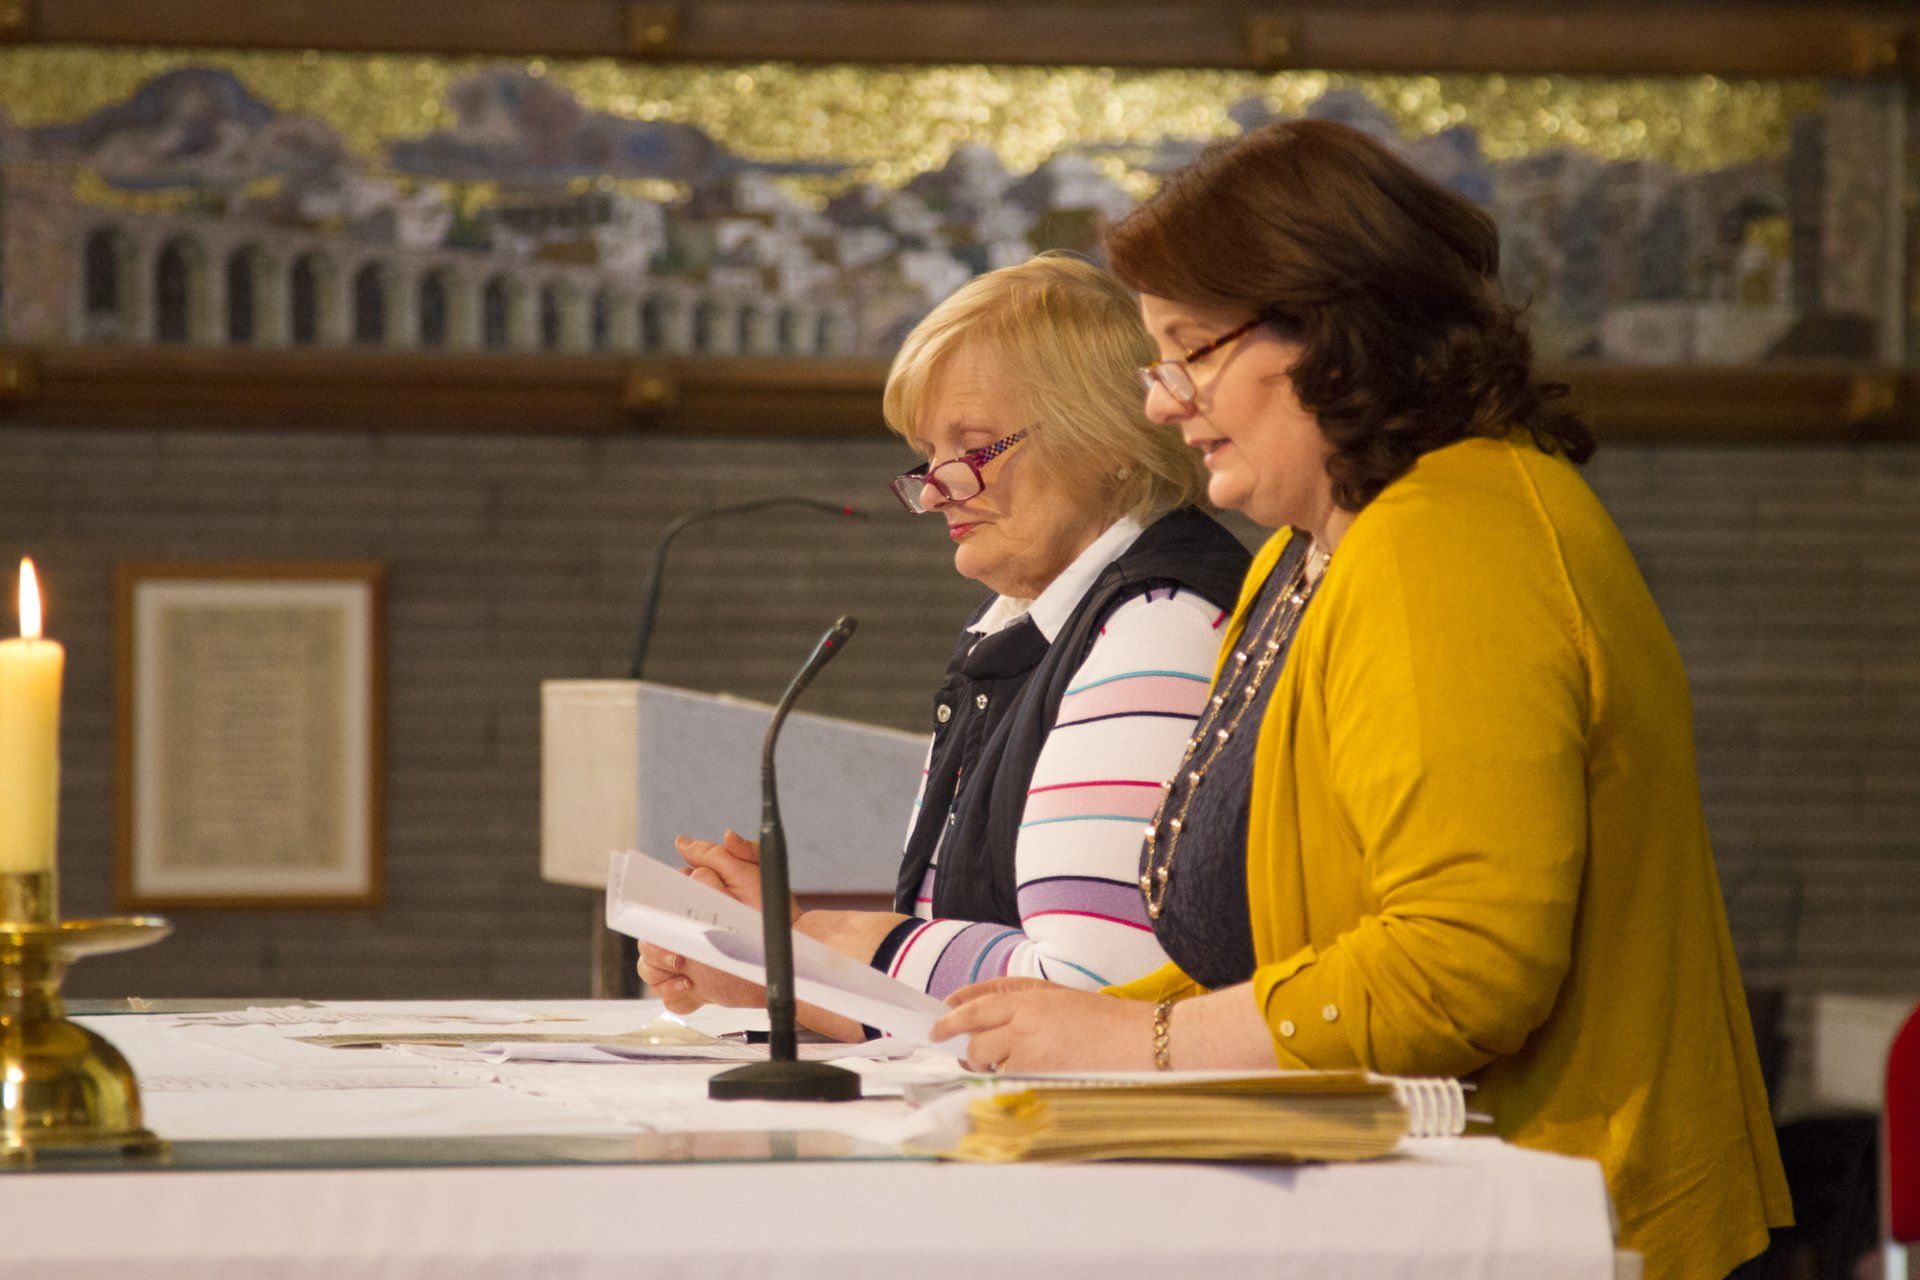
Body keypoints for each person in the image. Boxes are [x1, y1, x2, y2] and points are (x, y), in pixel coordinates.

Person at [930, 121, 1792, 1280]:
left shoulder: (1453, 537)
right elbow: (1282, 947)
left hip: (1565, 1220)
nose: (1164, 403)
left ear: (1328, 327)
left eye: (1189, 352)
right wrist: (1046, 1037)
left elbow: (1456, 962)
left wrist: (1135, 1038)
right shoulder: (1310, 556)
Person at [640, 254, 1251, 1033]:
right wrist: (777, 973)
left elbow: (1095, 994)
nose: (934, 490)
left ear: (1111, 438)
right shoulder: (1027, 627)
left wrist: (814, 948)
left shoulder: (1159, 622)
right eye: (928, 453)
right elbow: (980, 994)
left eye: (973, 448)